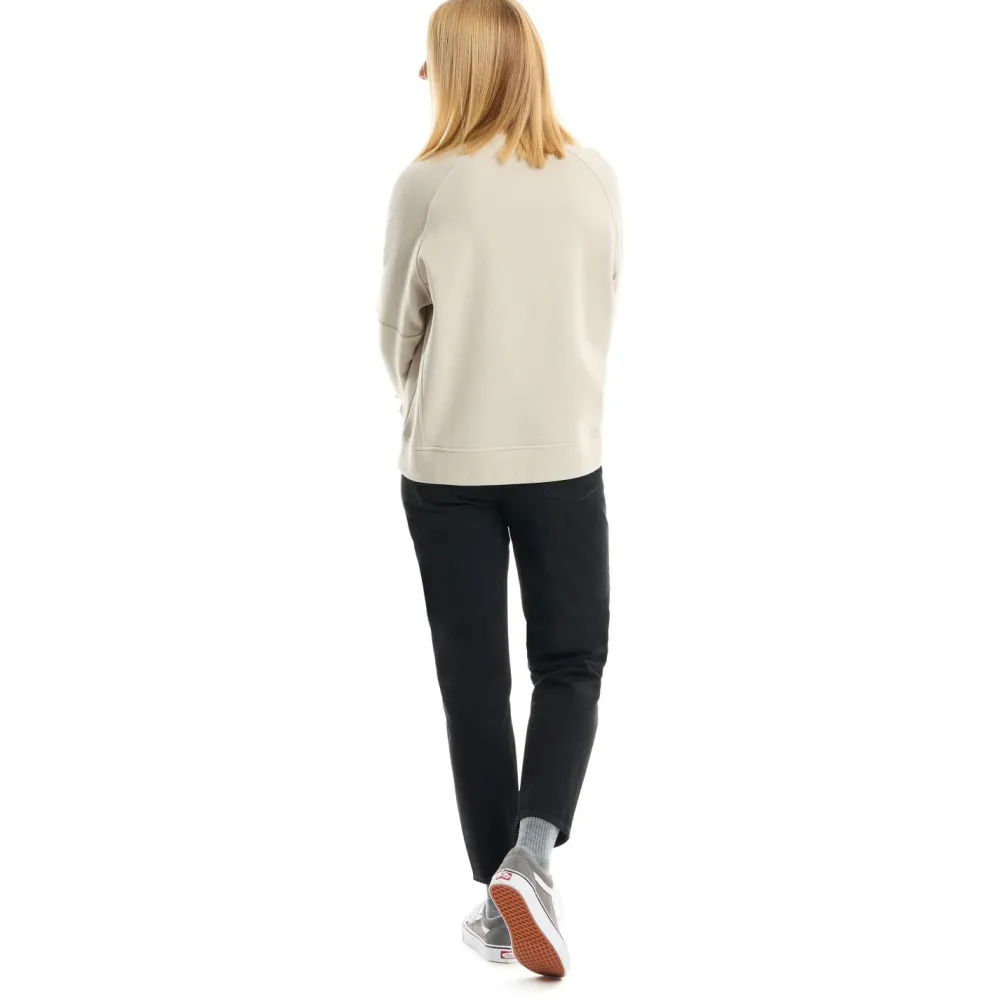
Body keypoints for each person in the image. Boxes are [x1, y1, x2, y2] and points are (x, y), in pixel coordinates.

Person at [378, 0, 621, 978]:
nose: (422, 76)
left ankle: (499, 890)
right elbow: (604, 300)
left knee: (472, 678)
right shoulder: (592, 176)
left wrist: (433, 401)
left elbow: (396, 331)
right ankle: (531, 855)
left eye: (432, 60)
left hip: (447, 465)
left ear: (464, 69)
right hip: (562, 455)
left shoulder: (425, 183)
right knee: (571, 661)